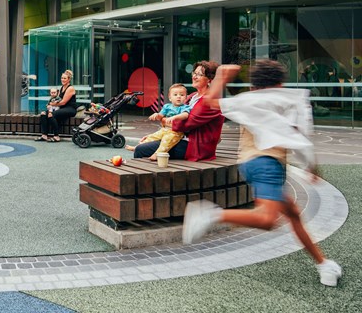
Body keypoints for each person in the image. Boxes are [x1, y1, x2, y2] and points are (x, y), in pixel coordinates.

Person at [182, 59, 342, 287]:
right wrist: (311, 166)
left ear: (255, 84)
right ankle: (209, 215)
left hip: (249, 165)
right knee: (267, 219)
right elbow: (300, 136)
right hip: (268, 164)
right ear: (279, 83)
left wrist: (221, 78)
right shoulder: (288, 99)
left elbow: (210, 102)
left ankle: (324, 264)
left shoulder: (247, 100)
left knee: (293, 214)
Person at [132, 61, 224, 161]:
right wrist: (155, 136)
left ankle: (150, 175)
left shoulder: (210, 101)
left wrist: (163, 120)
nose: (194, 77)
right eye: (194, 73)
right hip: (180, 138)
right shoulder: (192, 96)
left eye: (200, 75)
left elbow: (185, 125)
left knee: (141, 149)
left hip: (195, 146)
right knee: (145, 144)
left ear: (209, 80)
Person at [126, 83, 191, 160]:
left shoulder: (185, 107)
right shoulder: (167, 106)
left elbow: (185, 115)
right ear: (170, 98)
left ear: (186, 97)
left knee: (167, 141)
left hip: (175, 132)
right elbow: (161, 115)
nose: (179, 97)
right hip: (164, 129)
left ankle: (157, 154)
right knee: (152, 136)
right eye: (175, 95)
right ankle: (137, 147)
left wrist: (175, 117)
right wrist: (156, 115)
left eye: (182, 95)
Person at [36, 69, 78, 143]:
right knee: (43, 114)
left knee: (51, 115)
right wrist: (49, 105)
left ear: (69, 79)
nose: (63, 79)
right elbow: (56, 100)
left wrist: (52, 104)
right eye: (62, 78)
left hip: (70, 109)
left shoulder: (70, 88)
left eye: (65, 78)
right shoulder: (62, 87)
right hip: (61, 108)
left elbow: (63, 102)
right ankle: (44, 135)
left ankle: (56, 136)